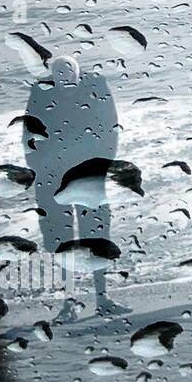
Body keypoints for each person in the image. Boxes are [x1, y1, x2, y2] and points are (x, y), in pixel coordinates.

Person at [23, 56, 128, 319]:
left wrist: (102, 169)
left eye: (68, 71)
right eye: (58, 72)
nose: (63, 77)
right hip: (52, 178)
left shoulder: (94, 89)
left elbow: (110, 129)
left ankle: (102, 299)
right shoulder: (41, 93)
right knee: (60, 241)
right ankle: (69, 302)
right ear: (52, 74)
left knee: (97, 237)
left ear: (78, 73)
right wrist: (39, 172)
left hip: (88, 175)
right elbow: (29, 137)